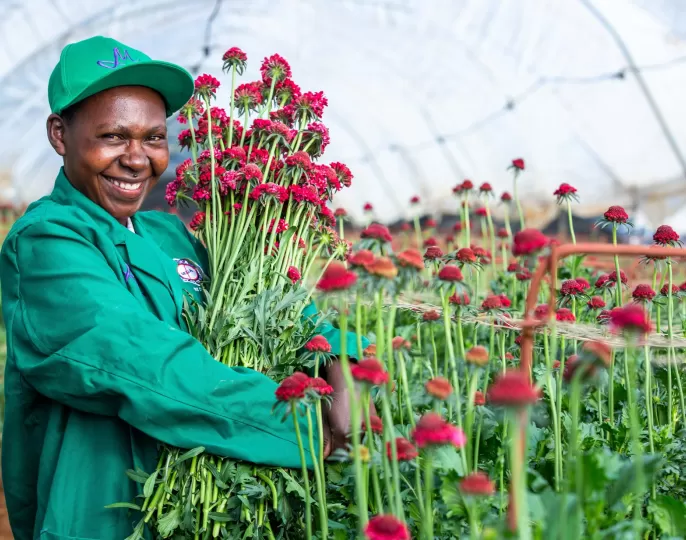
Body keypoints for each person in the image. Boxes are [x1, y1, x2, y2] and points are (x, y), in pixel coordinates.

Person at [0, 36, 367, 540]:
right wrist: (297, 425)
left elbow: (266, 307)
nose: (137, 158)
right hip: (102, 516)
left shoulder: (170, 235)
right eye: (112, 136)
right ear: (60, 134)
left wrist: (339, 359)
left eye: (153, 137)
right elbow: (142, 366)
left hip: (208, 516)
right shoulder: (45, 244)